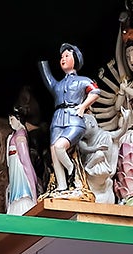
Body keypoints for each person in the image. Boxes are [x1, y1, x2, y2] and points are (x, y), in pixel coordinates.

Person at [39, 43, 102, 193]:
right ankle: (62, 185)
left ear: (75, 59)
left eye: (67, 56)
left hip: (74, 118)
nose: (63, 59)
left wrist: (83, 106)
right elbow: (47, 78)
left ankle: (71, 168)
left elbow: (96, 91)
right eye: (62, 57)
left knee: (60, 147)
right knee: (54, 151)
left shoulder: (82, 80)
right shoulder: (58, 85)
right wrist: (42, 61)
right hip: (57, 119)